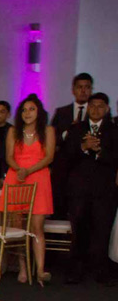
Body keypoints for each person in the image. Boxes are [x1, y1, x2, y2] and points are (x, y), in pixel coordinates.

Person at [0, 95, 56, 285]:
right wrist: (18, 170)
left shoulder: (47, 130)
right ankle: (23, 268)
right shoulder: (13, 131)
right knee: (19, 227)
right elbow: (8, 156)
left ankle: (40, 270)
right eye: (24, 110)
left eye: (31, 109)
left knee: (37, 227)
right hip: (17, 178)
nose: (27, 113)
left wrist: (29, 170)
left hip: (39, 178)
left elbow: (49, 157)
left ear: (39, 111)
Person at [64, 92, 116, 285]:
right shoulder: (77, 129)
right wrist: (84, 147)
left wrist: (99, 151)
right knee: (80, 231)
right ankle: (75, 271)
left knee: (102, 232)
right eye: (92, 106)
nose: (96, 109)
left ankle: (101, 272)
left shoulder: (114, 130)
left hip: (104, 191)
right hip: (79, 190)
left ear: (107, 109)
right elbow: (66, 156)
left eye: (100, 106)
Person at [51, 73, 94, 219]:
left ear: (91, 90)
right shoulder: (62, 112)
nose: (83, 91)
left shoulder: (97, 111)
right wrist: (67, 133)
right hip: (64, 167)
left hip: (87, 167)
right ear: (73, 90)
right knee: (60, 206)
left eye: (87, 87)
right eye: (79, 87)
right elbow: (52, 136)